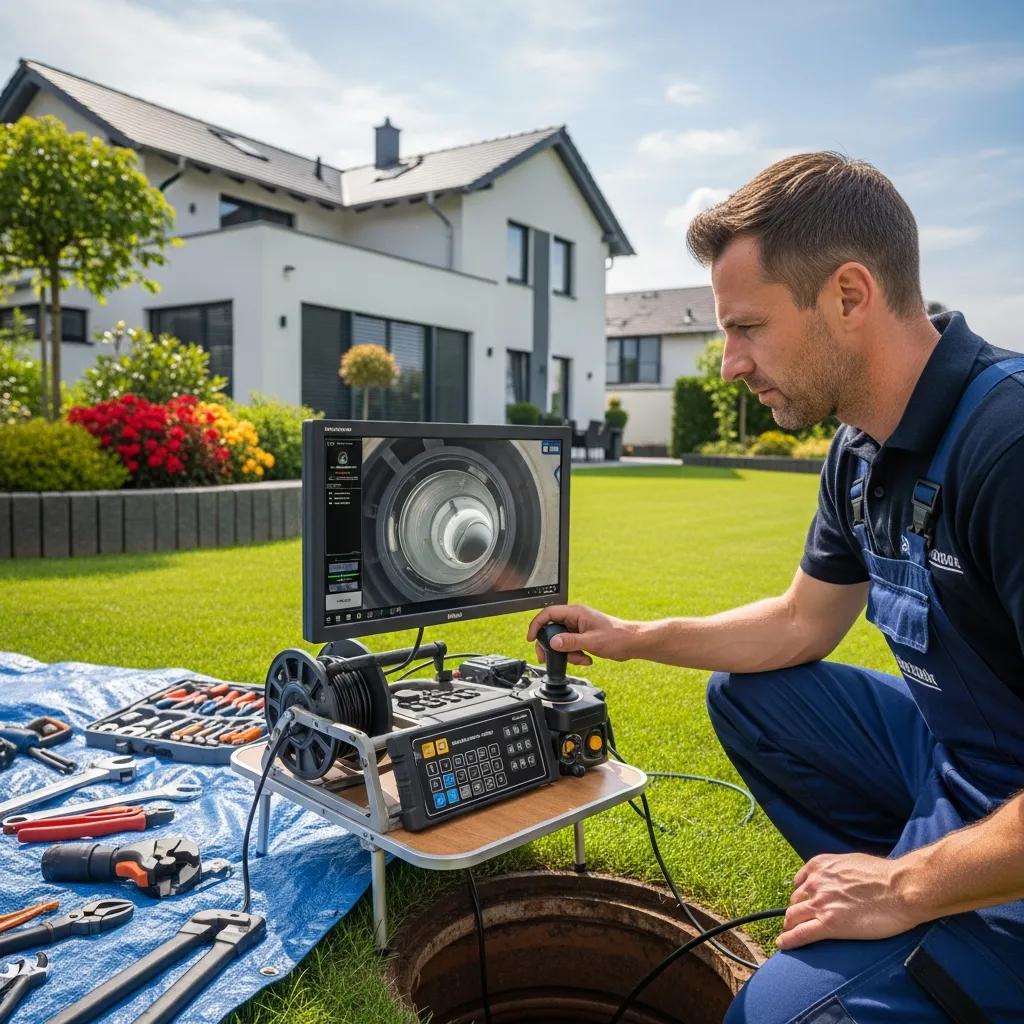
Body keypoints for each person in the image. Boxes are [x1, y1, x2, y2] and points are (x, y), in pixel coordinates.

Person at [528, 151, 1024, 1023]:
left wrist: (908, 885)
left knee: (772, 1017)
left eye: (747, 328)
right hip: (958, 760)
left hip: (1006, 803)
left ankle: (923, 926)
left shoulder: (1009, 447)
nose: (728, 365)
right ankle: (887, 915)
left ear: (848, 296)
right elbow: (800, 624)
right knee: (753, 697)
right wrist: (631, 636)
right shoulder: (860, 451)